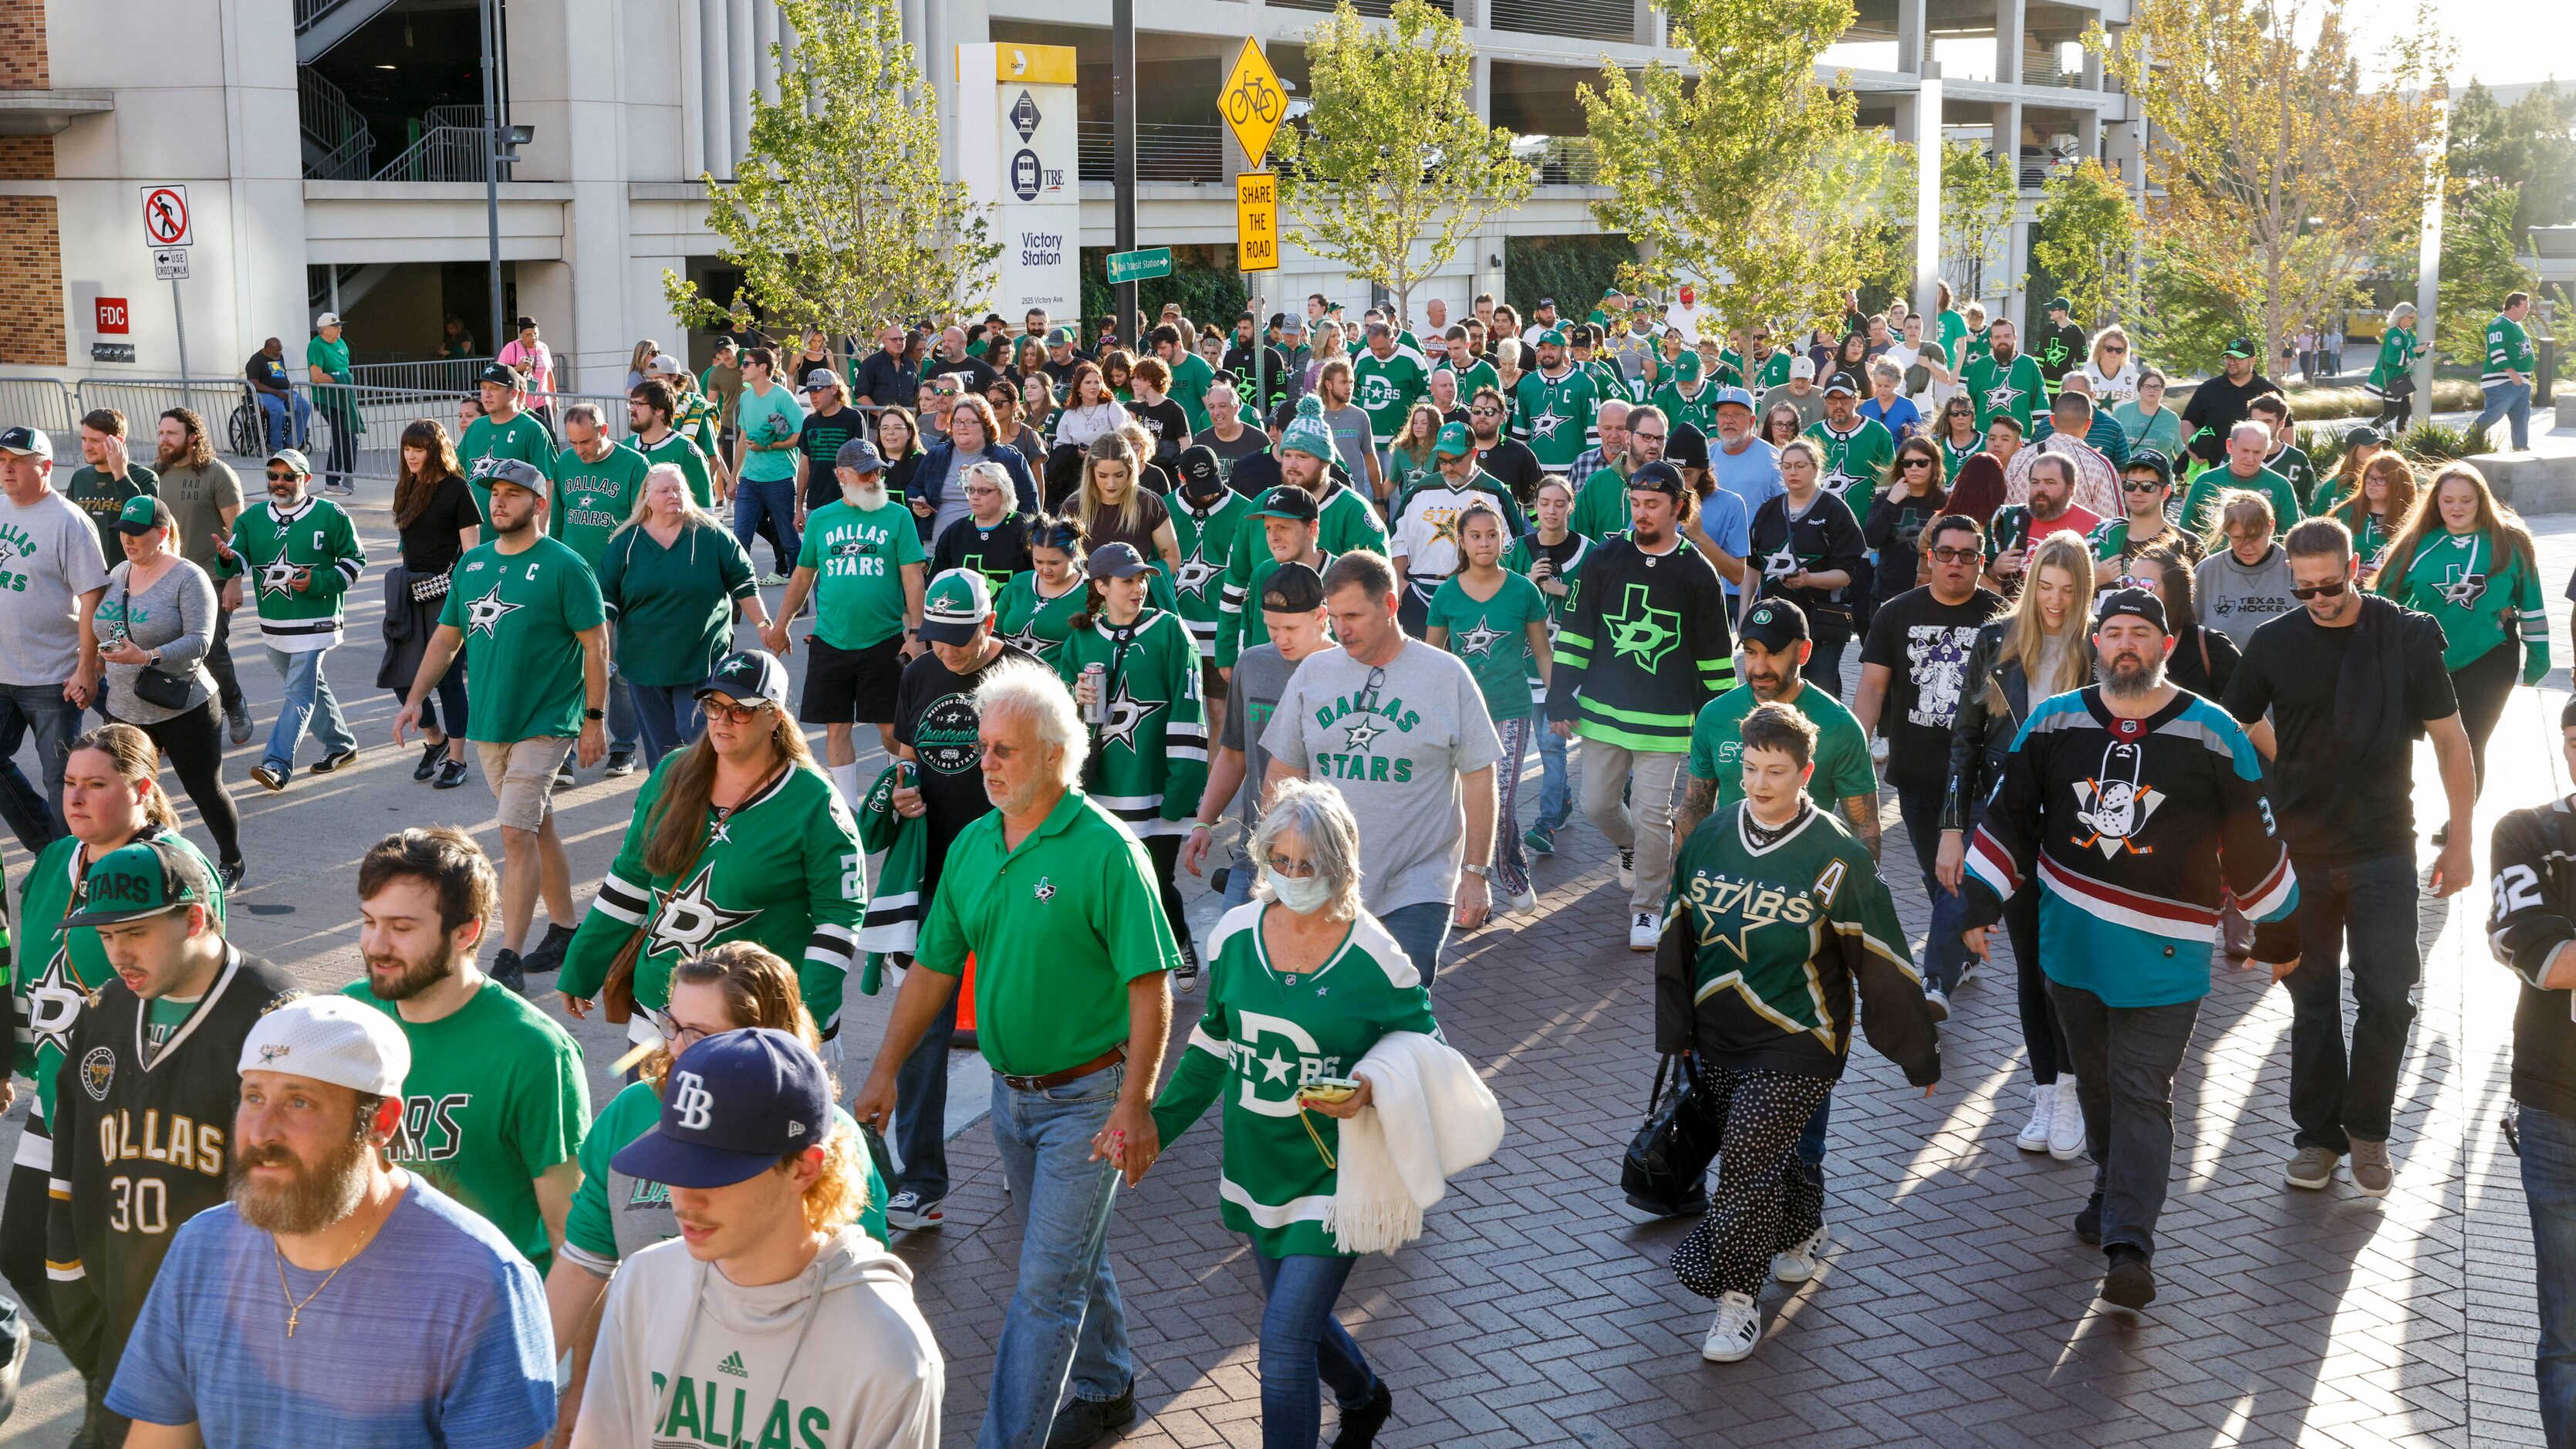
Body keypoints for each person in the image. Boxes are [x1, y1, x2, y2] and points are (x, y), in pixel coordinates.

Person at [852, 660, 1181, 1449]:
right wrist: (885, 1069)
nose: (985, 764)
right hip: (1012, 1099)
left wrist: (1135, 1106)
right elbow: (933, 968)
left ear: (1056, 757)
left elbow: (1150, 988)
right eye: (984, 747)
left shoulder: (1106, 852)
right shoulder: (971, 845)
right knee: (1068, 1256)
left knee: (1042, 1288)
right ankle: (1107, 1386)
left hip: (1091, 1101)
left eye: (1004, 750)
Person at [1961, 586, 2298, 1309]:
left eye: (2139, 634)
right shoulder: (2051, 723)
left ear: (2164, 645)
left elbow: (2252, 834)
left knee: (2144, 1089)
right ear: (2097, 643)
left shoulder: (2212, 731)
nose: (2124, 645)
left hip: (2168, 951)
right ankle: (2109, 1190)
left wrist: (2279, 926)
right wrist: (1977, 903)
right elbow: (2010, 816)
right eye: (2112, 632)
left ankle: (2129, 1246)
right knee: (2099, 1083)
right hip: (2070, 944)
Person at [103, 996, 559, 1448]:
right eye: (253, 1097)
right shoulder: (202, 1247)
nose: (262, 1131)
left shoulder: (480, 1280)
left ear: (381, 1121)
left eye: (299, 1102)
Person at [1659, 701, 1940, 1362]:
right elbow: (1677, 934)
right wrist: (1675, 1030)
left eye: (1776, 772)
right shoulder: (1709, 835)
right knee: (1767, 1154)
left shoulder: (1836, 854)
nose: (1759, 784)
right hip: (1719, 1027)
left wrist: (1916, 1055)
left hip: (1801, 1037)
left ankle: (1735, 1300)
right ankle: (1804, 1226)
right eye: (1752, 768)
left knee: (1746, 1160)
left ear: (1805, 772)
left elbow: (1881, 954)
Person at [1150, 782, 1426, 1444]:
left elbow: (1425, 1051)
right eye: (1282, 862)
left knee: (1280, 1344)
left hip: (1338, 1176)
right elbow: (1212, 1046)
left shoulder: (1374, 955)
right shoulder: (1237, 935)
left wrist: (1370, 1084)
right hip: (1258, 1162)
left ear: (1342, 865)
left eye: (1310, 866)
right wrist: (1154, 1130)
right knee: (1293, 1320)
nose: (1295, 877)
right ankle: (1362, 1395)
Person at [2226, 516, 2476, 1199]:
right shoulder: (2274, 643)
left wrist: (2461, 837)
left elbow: (2452, 742)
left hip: (2383, 845)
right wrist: (2291, 762)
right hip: (2301, 850)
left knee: (2389, 998)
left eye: (2329, 585)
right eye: (2303, 589)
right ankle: (2316, 1139)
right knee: (2310, 1001)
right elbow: (2237, 720)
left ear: (2355, 566)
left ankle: (2367, 1129)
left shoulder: (2407, 635)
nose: (2317, 599)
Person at [549, 941, 892, 1438]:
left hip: (784, 1405)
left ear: (762, 1041)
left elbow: (852, 1285)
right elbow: (584, 1265)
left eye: (700, 1034)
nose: (675, 1047)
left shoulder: (820, 1135)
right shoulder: (629, 1115)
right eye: (672, 1024)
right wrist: (566, 1385)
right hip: (654, 1396)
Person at [570, 1025, 939, 1449]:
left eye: (716, 1173)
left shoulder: (888, 1350)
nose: (685, 1199)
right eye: (675, 1164)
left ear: (804, 1168)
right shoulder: (642, 1283)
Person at [42, 835, 291, 1448]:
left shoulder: (274, 1018)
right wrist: (77, 1300)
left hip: (229, 1343)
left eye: (135, 932)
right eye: (105, 936)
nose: (118, 954)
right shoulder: (103, 1011)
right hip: (119, 1329)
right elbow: (70, 1169)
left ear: (196, 917)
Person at [2, 725, 226, 1341]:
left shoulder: (176, 870)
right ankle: (115, 1386)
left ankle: (144, 1402)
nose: (74, 798)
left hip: (132, 1110)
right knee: (23, 1253)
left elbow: (202, 993)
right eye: (70, 784)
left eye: (96, 785)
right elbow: (31, 976)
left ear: (142, 790)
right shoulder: (53, 860)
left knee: (125, 1270)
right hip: (58, 1097)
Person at [558, 645, 866, 1073]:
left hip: (756, 1025)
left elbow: (840, 918)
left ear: (774, 716)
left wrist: (805, 1017)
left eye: (739, 710)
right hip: (661, 1018)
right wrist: (582, 964)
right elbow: (630, 878)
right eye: (712, 706)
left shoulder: (815, 802)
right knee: (651, 1133)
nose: (721, 721)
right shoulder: (672, 774)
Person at [393, 457, 609, 991]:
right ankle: (565, 927)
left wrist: (594, 720)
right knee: (538, 824)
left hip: (547, 719)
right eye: (495, 494)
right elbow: (446, 639)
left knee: (514, 832)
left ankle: (508, 954)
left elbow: (596, 646)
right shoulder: (473, 565)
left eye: (513, 494)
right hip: (491, 720)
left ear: (539, 504)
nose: (499, 502)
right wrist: (415, 698)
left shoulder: (566, 566)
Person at [877, 570, 1042, 1231]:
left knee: (1015, 1027)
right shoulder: (920, 672)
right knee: (922, 1031)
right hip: (937, 877)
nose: (947, 652)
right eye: (937, 638)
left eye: (961, 638)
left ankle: (1023, 1151)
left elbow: (1060, 772)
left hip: (1010, 873)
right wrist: (902, 790)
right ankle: (921, 1181)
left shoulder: (1026, 677)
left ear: (990, 618)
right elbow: (908, 754)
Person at [345, 826, 589, 1272]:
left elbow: (571, 1232)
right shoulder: (345, 1017)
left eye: (401, 928)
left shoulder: (534, 1052)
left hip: (485, 1313)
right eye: (368, 922)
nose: (376, 946)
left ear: (465, 932)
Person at [1258, 549, 1500, 980]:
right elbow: (1284, 773)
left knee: (1401, 1005)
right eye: (1333, 617)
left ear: (1390, 605)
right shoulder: (1314, 673)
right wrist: (1271, 864)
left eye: (1353, 615)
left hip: (1417, 884)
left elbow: (1480, 776)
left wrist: (1476, 872)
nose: (1341, 630)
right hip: (1323, 880)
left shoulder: (1446, 675)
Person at [1939, 533, 2096, 1158]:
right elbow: (1964, 741)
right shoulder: (1993, 641)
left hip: (2082, 824)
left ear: (2082, 590)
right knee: (2029, 962)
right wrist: (1954, 829)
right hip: (2009, 821)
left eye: (2068, 591)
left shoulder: (2097, 644)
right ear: (2031, 584)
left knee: (2071, 964)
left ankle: (2072, 1087)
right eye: (2046, 589)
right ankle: (2045, 1092)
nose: (2054, 603)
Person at [1548, 465, 1737, 949]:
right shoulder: (1606, 557)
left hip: (1667, 719)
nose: (1642, 513)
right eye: (1636, 503)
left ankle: (1648, 908)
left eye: (1653, 505)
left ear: (1678, 507)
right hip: (1605, 712)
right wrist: (1560, 695)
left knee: (1653, 813)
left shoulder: (1698, 571)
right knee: (1596, 804)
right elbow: (1576, 631)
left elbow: (1714, 654)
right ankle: (1631, 847)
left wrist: (1719, 719)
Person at [1855, 513, 2008, 1014]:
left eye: (1968, 556)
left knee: (1958, 876)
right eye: (1946, 554)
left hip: (1980, 779)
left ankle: (1936, 981)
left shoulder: (2002, 617)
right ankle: (1962, 946)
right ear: (1930, 557)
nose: (1955, 565)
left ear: (1980, 561)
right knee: (1936, 876)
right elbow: (1872, 688)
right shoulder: (1895, 614)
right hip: (1917, 773)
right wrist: (1855, 753)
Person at [1056, 541, 1210, 978]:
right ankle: (1121, 970)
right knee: (1107, 883)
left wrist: (1184, 786)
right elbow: (1060, 715)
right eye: (1127, 580)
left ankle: (1177, 937)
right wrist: (1073, 697)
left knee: (1156, 883)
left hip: (1157, 784)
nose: (1138, 587)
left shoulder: (1171, 631)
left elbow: (1189, 710)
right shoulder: (1081, 638)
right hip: (1100, 787)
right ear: (1100, 586)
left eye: (1142, 578)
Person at [2487, 706, 2576, 1444]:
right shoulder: (2528, 833)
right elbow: (2545, 961)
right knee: (2568, 1332)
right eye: (2575, 744)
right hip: (2555, 1109)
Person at [2372, 461, 2548, 810]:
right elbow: (2382, 599)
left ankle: (2459, 821)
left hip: (2491, 656)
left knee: (2471, 742)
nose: (2457, 508)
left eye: (2466, 500)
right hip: (2428, 657)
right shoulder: (2416, 543)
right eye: (2448, 500)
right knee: (2417, 741)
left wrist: (2539, 657)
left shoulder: (2510, 540)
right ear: (2435, 501)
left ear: (2482, 500)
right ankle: (2392, 814)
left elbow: (2531, 600)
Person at [765, 437, 929, 807]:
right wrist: (781, 625)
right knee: (836, 727)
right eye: (866, 472)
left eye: (878, 472)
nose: (874, 478)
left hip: (884, 639)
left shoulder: (898, 516)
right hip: (831, 639)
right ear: (842, 475)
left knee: (891, 729)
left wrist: (917, 632)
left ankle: (895, 792)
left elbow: (913, 577)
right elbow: (803, 577)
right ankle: (847, 807)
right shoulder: (823, 518)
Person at [96, 496, 243, 886]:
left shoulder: (189, 578)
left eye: (138, 533)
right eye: (124, 532)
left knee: (205, 791)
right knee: (129, 793)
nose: (128, 539)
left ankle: (231, 861)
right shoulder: (118, 574)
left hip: (183, 704)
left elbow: (200, 641)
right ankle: (148, 863)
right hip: (124, 707)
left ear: (162, 534)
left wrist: (147, 656)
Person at [209, 448, 364, 794]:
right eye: (273, 476)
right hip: (274, 624)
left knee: (297, 692)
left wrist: (319, 583)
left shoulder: (330, 514)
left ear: (306, 480)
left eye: (288, 477)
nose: (279, 483)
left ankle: (276, 764)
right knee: (309, 688)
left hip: (317, 620)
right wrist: (227, 559)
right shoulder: (251, 519)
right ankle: (341, 744)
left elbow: (356, 561)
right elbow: (238, 563)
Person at [1423, 502, 1551, 914]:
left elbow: (1543, 653)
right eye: (1475, 536)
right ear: (1461, 541)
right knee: (1467, 802)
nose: (1484, 543)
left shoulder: (1524, 591)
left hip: (1511, 707)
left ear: (1503, 539)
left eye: (1492, 535)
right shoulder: (1446, 595)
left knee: (1503, 797)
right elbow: (1431, 657)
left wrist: (1559, 703)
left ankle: (1503, 877)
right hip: (1461, 714)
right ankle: (1493, 878)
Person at [1183, 560, 1335, 910]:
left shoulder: (1348, 670)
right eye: (1271, 628)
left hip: (1324, 857)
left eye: (1291, 628)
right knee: (1231, 958)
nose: (1280, 639)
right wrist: (1203, 822)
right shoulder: (1251, 664)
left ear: (1321, 615)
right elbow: (1234, 754)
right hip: (1255, 853)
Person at [596, 462, 768, 767]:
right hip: (645, 663)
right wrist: (604, 644)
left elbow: (743, 580)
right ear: (648, 498)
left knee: (701, 739)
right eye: (664, 491)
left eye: (678, 489)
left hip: (701, 659)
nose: (673, 495)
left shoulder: (711, 535)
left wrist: (764, 625)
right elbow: (607, 596)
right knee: (662, 751)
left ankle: (709, 802)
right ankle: (666, 806)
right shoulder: (627, 542)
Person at [1676, 597, 1879, 853]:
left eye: (1773, 653)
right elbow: (1694, 808)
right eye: (1751, 652)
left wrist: (1862, 889)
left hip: (1802, 877)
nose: (1759, 668)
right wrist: (1678, 881)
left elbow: (1865, 827)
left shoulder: (1840, 725)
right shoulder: (1715, 715)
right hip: (1729, 871)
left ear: (1803, 652)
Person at [378, 421, 481, 791]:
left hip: (446, 595)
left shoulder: (456, 489)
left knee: (449, 680)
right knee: (401, 676)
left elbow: (473, 553)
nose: (410, 456)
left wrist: (465, 597)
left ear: (435, 451)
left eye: (418, 449)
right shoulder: (407, 486)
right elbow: (408, 542)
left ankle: (457, 758)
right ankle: (435, 738)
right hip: (409, 592)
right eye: (407, 449)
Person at [550, 402, 653, 774]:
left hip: (618, 582)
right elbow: (558, 524)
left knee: (619, 669)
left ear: (604, 430)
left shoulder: (634, 466)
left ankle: (624, 746)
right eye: (574, 443)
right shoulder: (565, 463)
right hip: (573, 583)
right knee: (571, 670)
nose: (580, 450)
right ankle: (565, 752)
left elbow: (642, 527)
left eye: (587, 442)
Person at [150, 410, 249, 745]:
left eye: (171, 434)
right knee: (165, 650)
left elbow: (240, 534)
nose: (164, 440)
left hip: (211, 577)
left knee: (211, 649)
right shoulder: (155, 476)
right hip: (165, 576)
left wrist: (235, 579)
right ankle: (172, 721)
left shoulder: (217, 474)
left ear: (193, 437)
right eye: (161, 433)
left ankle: (234, 704)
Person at [1747, 440, 1866, 691]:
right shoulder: (1768, 511)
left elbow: (1846, 574)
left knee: (1818, 687)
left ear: (1815, 468)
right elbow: (1753, 567)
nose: (1793, 471)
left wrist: (1809, 579)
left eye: (1800, 465)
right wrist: (1744, 615)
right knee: (1776, 687)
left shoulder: (1835, 511)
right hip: (1775, 619)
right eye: (1787, 466)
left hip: (1822, 620)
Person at [1394, 423, 1528, 633]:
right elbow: (1397, 541)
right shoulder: (1420, 489)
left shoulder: (1495, 491)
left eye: (1456, 460)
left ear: (1473, 453)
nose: (1448, 467)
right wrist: (1401, 584)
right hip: (1418, 594)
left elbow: (1513, 549)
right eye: (1442, 460)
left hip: (1475, 597)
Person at [731, 347, 806, 583]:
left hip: (780, 480)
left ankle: (799, 589)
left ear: (763, 368)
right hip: (750, 481)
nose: (741, 368)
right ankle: (740, 592)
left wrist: (769, 446)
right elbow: (743, 438)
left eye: (746, 364)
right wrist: (734, 476)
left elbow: (799, 436)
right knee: (740, 539)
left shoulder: (783, 397)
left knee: (789, 540)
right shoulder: (745, 397)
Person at [1982, 454, 2103, 598]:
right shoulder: (2009, 519)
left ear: (2071, 488)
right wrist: (1996, 568)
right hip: (2019, 616)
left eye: (2050, 482)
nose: (2040, 489)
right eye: (2035, 482)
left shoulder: (2096, 527)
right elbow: (1984, 578)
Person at [2193, 490, 2298, 650]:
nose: (2246, 547)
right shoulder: (2206, 572)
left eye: (2255, 537)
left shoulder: (2295, 567)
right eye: (2237, 538)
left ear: (2271, 526)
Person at [458, 360, 558, 527]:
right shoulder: (476, 427)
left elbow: (548, 483)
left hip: (517, 533)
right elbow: (457, 472)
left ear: (513, 393)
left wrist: (540, 533)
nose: (487, 394)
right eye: (484, 387)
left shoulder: (532, 429)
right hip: (476, 533)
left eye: (494, 388)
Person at [2132, 547, 2235, 701]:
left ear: (2174, 592)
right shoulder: (2112, 644)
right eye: (2127, 582)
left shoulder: (2211, 646)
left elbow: (2251, 719)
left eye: (2146, 585)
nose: (2133, 592)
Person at [1072, 431, 1179, 571]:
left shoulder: (1150, 504)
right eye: (1103, 476)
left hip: (1137, 590)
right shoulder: (1072, 506)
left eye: (1119, 475)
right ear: (1091, 473)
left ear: (1131, 471)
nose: (1111, 484)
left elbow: (1173, 559)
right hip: (1089, 590)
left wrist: (1136, 578)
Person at [996, 515, 1092, 666]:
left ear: (1073, 555)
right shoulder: (1019, 583)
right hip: (1009, 680)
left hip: (1060, 684)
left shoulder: (1091, 592)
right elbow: (995, 633)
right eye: (1038, 561)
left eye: (1054, 563)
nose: (1045, 569)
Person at [66, 410, 160, 558]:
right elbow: (68, 526)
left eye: (95, 441)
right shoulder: (80, 477)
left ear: (118, 442)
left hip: (126, 573)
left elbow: (143, 525)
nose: (87, 447)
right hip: (86, 574)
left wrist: (121, 474)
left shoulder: (145, 477)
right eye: (84, 439)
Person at [2092, 451, 2199, 581]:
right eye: (2130, 485)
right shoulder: (2102, 536)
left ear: (2165, 492)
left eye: (2147, 486)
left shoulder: (2189, 544)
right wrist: (2094, 580)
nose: (2137, 492)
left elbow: (2205, 597)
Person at [1511, 328, 1602, 481]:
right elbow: (1520, 434)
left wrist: (1590, 469)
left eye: (1553, 348)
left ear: (1564, 349)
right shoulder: (1526, 384)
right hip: (1537, 471)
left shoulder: (1584, 383)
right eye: (1543, 348)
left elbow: (1594, 433)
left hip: (1574, 470)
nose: (1547, 353)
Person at [2178, 337, 2282, 468]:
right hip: (2214, 470)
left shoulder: (2270, 390)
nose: (2232, 362)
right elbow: (2188, 421)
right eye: (2228, 358)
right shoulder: (2208, 389)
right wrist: (2193, 451)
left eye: (2238, 358)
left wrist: (2281, 462)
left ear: (2253, 360)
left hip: (2259, 470)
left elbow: (2285, 428)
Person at [2319, 450, 2416, 585]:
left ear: (2398, 483)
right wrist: (2349, 573)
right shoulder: (2343, 514)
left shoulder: (2414, 519)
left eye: (2381, 479)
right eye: (2369, 477)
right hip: (2352, 595)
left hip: (2397, 599)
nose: (2372, 483)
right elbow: (2322, 558)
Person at [2476, 289, 2540, 451]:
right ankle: (2468, 439)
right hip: (2503, 381)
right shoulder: (2499, 324)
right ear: (2513, 306)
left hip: (2521, 382)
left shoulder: (2516, 325)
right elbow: (2496, 350)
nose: (2528, 309)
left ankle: (2521, 447)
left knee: (2521, 417)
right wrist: (2511, 372)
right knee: (2493, 415)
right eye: (2525, 306)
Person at [1961, 319, 2048, 434]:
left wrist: (2041, 440)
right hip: (1986, 443)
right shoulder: (1979, 366)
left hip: (2020, 443)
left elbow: (2041, 408)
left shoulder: (2029, 365)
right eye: (1997, 337)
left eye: (2007, 336)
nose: (2002, 341)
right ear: (1991, 340)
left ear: (2015, 338)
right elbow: (1968, 409)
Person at [306, 312, 360, 495]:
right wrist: (340, 379)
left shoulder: (342, 343)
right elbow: (316, 376)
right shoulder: (316, 346)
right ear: (324, 329)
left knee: (350, 436)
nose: (340, 329)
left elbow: (344, 367)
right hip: (327, 399)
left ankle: (348, 474)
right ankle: (332, 481)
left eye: (339, 325)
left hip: (344, 397)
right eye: (336, 326)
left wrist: (344, 379)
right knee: (340, 436)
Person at [2246, 393, 2319, 512]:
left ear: (2281, 424)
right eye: (2255, 421)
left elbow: (2309, 501)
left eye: (2267, 421)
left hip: (2286, 528)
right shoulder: (2235, 454)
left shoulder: (2297, 458)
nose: (2260, 426)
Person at [243, 337, 312, 454]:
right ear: (268, 349)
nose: (279, 353)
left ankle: (291, 443)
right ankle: (276, 447)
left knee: (304, 407)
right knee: (278, 410)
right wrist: (276, 392)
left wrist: (284, 391)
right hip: (266, 393)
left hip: (284, 391)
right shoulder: (256, 360)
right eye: (276, 350)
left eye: (280, 350)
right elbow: (254, 384)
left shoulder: (279, 357)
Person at [2368, 303, 2424, 433]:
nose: (2413, 320)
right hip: (2393, 378)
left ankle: (2400, 440)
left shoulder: (2407, 332)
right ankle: (2365, 434)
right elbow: (2392, 358)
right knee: (2390, 414)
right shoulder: (2393, 334)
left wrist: (2421, 348)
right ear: (2401, 317)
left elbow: (2412, 351)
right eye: (2411, 317)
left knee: (2405, 412)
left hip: (2402, 377)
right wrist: (2415, 350)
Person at [497, 315, 558, 426]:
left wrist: (555, 399)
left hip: (542, 400)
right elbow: (499, 374)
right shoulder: (511, 348)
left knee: (549, 432)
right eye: (529, 335)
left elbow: (549, 374)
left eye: (536, 334)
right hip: (520, 401)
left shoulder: (543, 347)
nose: (533, 338)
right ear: (521, 335)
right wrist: (518, 369)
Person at [2111, 368, 2184, 461]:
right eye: (2147, 386)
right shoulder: (2122, 411)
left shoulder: (2172, 418)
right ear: (2139, 388)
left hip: (2161, 473)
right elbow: (2108, 445)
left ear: (2163, 390)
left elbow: (2180, 454)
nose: (2152, 390)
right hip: (2126, 472)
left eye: (2157, 387)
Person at [855, 323, 922, 408]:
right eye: (894, 339)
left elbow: (917, 395)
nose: (899, 342)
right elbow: (860, 395)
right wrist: (881, 415)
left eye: (902, 339)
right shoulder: (872, 363)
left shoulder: (911, 364)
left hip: (906, 419)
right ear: (884, 341)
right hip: (878, 420)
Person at [2077, 325, 2140, 410]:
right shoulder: (2087, 369)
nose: (2114, 353)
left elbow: (2140, 400)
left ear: (2124, 352)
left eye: (2119, 350)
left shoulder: (2130, 370)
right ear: (2100, 348)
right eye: (2109, 349)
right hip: (2095, 422)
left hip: (2124, 422)